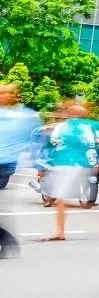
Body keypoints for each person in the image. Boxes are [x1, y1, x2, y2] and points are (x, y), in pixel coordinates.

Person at [40, 103, 99, 242]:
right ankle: (60, 230)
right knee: (61, 195)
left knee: (60, 194)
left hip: (67, 163)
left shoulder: (63, 126)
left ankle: (60, 231)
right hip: (81, 162)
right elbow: (92, 142)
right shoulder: (87, 127)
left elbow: (54, 140)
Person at [0, 83, 40, 258]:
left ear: (15, 96)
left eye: (7, 93)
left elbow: (35, 141)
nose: (3, 95)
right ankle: (7, 240)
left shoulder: (26, 117)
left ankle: (7, 240)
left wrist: (39, 164)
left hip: (5, 164)